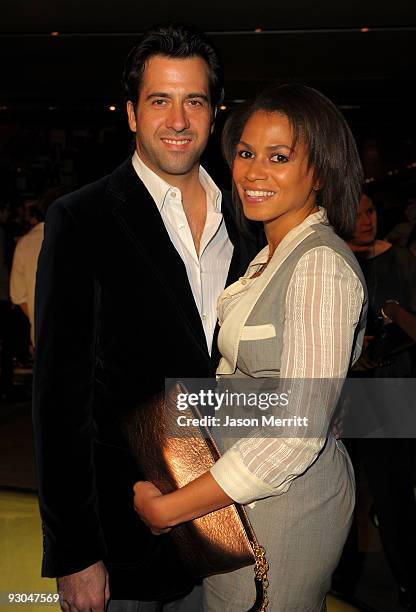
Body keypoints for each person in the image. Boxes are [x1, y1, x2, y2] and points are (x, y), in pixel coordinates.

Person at [32, 23, 259, 612]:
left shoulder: (253, 221)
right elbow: (59, 400)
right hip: (126, 536)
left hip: (239, 519)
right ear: (132, 113)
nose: (178, 120)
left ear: (216, 112)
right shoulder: (81, 221)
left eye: (194, 101)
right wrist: (74, 551)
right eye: (160, 100)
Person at [133, 84, 368, 611]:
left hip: (281, 506)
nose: (253, 172)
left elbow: (296, 437)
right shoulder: (270, 256)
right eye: (245, 153)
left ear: (322, 171)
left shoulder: (319, 265)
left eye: (279, 157)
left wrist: (171, 509)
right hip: (242, 500)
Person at [344, 194, 416, 610]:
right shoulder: (335, 258)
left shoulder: (401, 260)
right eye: (354, 214)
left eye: (370, 210)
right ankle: (342, 578)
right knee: (344, 491)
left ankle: (407, 579)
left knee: (393, 495)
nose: (365, 220)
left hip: (391, 389)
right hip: (346, 392)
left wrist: (395, 318)